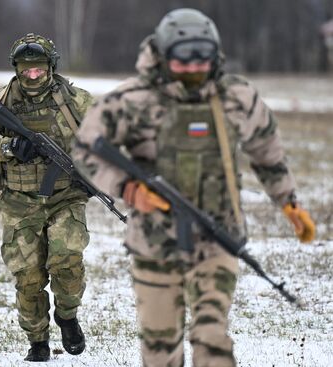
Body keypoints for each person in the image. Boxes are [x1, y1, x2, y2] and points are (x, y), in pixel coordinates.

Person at [73, 8, 316, 367]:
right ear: (164, 54)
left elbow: (266, 151)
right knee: (159, 348)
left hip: (218, 239)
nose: (192, 69)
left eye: (201, 59)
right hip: (154, 243)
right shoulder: (132, 100)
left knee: (212, 337)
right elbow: (86, 149)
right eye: (182, 60)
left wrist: (288, 201)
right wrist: (126, 189)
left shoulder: (236, 97)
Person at [0, 33, 94, 362]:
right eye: (25, 70)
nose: (32, 76)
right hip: (20, 203)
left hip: (66, 196)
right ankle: (37, 340)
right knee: (28, 277)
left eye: (38, 70)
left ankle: (67, 316)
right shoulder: (2, 103)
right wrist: (7, 148)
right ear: (16, 69)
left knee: (68, 260)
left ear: (50, 67)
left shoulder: (76, 102)